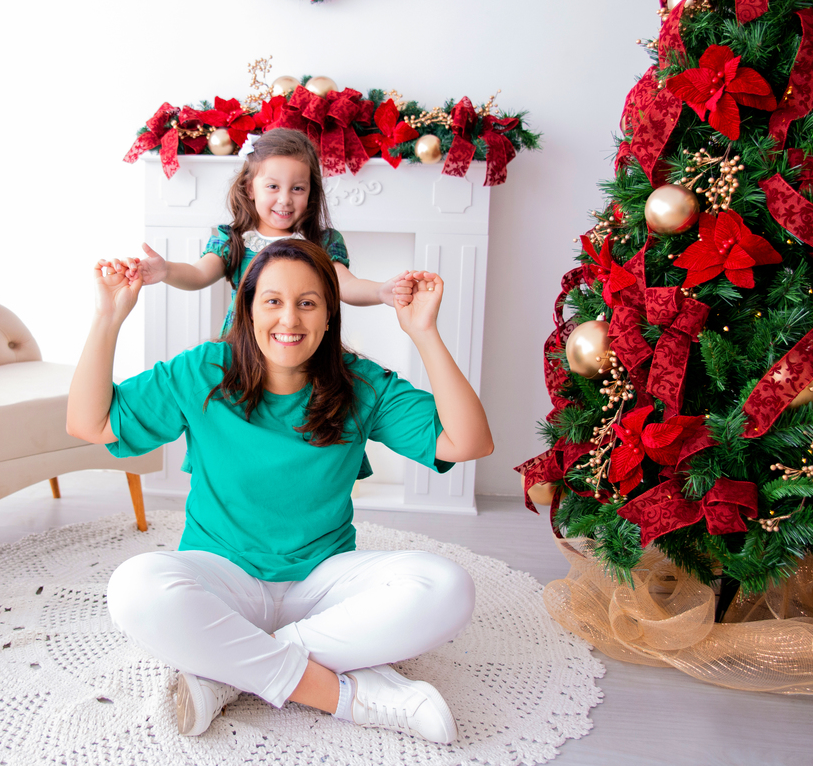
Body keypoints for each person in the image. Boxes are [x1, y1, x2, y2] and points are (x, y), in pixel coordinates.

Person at [67, 238, 493, 744]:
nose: (289, 319)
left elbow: (468, 441)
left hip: (322, 585)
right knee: (133, 587)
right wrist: (108, 317)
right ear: (246, 312)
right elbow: (90, 423)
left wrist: (423, 333)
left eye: (307, 303)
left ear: (329, 316)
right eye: (272, 301)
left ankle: (226, 673)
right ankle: (344, 695)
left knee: (448, 586)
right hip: (222, 579)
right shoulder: (201, 370)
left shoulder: (360, 384)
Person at [125, 127, 412, 334]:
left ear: (311, 192)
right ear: (250, 188)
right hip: (243, 346)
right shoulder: (232, 240)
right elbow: (199, 274)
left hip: (295, 341)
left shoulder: (322, 242)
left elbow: (346, 285)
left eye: (297, 188)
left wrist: (381, 291)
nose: (285, 199)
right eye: (273, 186)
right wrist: (166, 271)